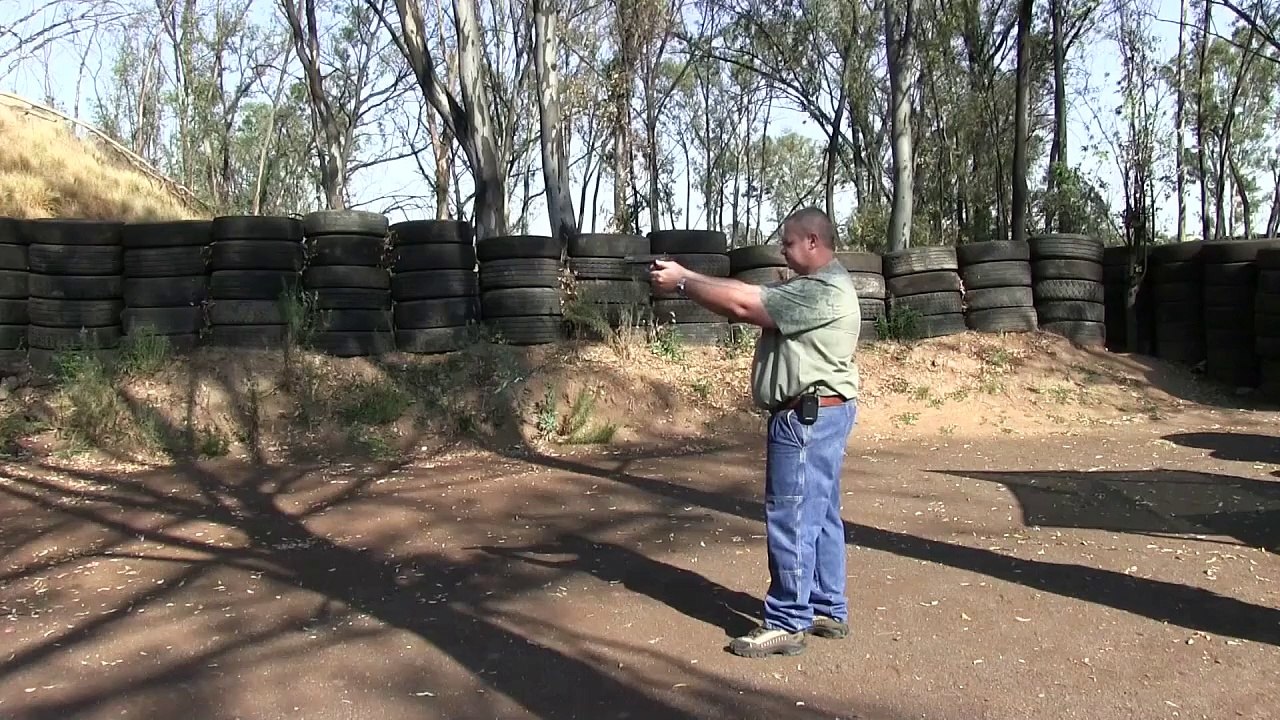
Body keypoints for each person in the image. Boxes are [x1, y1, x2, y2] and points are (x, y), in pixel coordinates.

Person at [648, 206, 861, 659]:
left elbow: (744, 305)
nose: (781, 250)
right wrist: (687, 274)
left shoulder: (821, 291)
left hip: (806, 418)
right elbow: (746, 293)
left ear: (813, 242)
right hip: (820, 412)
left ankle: (787, 621)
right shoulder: (818, 286)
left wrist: (683, 282)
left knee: (793, 514)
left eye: (788, 242)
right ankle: (826, 605)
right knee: (819, 512)